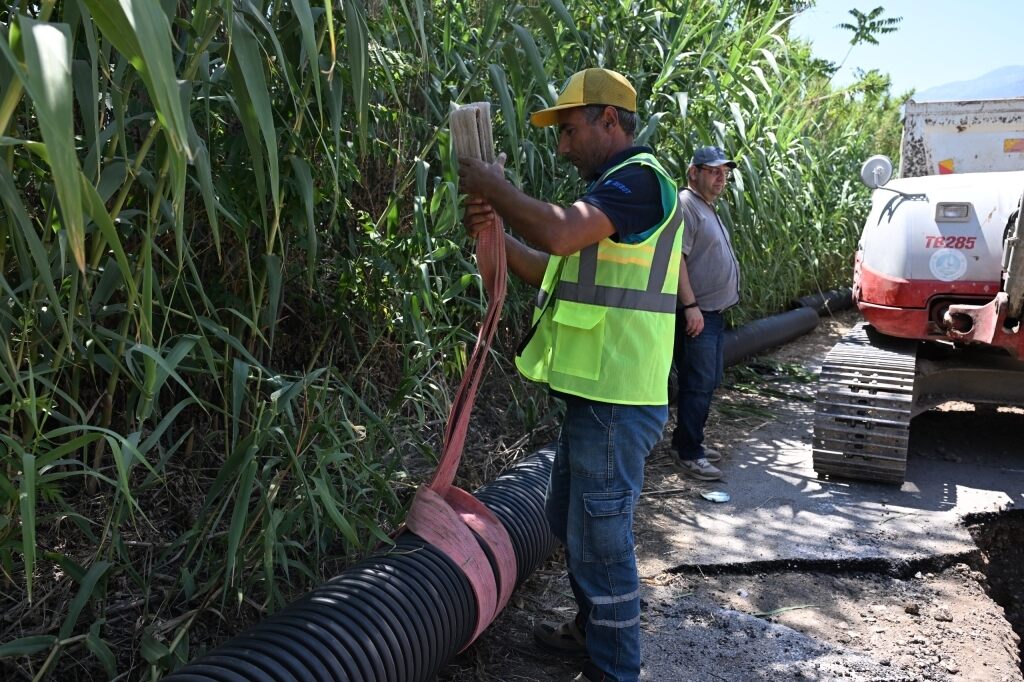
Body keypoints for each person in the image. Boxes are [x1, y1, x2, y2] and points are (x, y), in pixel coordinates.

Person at [458, 68, 682, 682]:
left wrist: (495, 187)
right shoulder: (610, 197)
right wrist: (492, 231)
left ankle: (616, 668)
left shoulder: (641, 182)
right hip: (594, 395)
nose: (561, 146)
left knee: (601, 543)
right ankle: (591, 632)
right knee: (568, 523)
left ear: (611, 120)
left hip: (618, 398)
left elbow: (556, 233)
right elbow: (540, 266)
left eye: (570, 129)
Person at [671, 146, 741, 481]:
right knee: (697, 383)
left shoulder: (706, 207)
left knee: (706, 381)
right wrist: (690, 307)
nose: (720, 177)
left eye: (724, 172)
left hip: (713, 312)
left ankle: (688, 441)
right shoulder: (686, 204)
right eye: (713, 171)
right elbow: (677, 260)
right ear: (693, 172)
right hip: (698, 313)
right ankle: (690, 454)